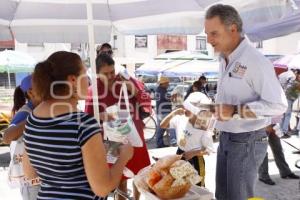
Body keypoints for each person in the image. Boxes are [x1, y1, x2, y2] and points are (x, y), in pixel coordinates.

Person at [23, 51, 134, 200]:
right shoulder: (84, 124)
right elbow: (103, 188)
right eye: (85, 73)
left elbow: (30, 173)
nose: (88, 81)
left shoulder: (32, 119)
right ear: (73, 80)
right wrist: (124, 157)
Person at [204, 4, 287, 200]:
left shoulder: (255, 61)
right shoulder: (224, 57)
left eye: (213, 33)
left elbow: (278, 105)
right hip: (227, 137)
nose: (208, 40)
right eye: (207, 34)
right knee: (223, 196)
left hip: (247, 140)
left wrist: (234, 110)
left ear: (232, 29)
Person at [85, 53, 150, 200]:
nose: (110, 76)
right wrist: (101, 117)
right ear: (97, 73)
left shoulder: (124, 80)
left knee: (140, 173)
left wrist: (132, 88)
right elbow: (88, 120)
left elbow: (146, 100)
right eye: (105, 73)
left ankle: (137, 198)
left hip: (133, 134)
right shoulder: (93, 91)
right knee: (119, 176)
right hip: (110, 140)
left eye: (112, 72)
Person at [160, 92, 214, 187]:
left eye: (188, 108)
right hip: (180, 155)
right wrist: (174, 113)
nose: (185, 109)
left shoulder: (203, 125)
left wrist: (193, 153)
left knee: (196, 188)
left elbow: (208, 150)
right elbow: (163, 125)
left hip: (195, 159)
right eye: (186, 107)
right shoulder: (180, 118)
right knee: (179, 186)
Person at [3, 75, 41, 200]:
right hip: (32, 184)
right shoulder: (26, 113)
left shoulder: (39, 109)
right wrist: (34, 119)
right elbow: (7, 137)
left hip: (38, 179)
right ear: (30, 92)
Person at [155, 76, 177, 147]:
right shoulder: (162, 90)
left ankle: (160, 143)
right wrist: (173, 96)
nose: (168, 85)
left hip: (161, 111)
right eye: (167, 83)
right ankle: (173, 141)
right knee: (170, 126)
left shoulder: (159, 89)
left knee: (161, 128)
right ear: (163, 83)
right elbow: (167, 98)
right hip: (164, 111)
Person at [280, 70, 300, 138]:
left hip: (286, 99)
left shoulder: (291, 80)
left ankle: (281, 131)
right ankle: (283, 131)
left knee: (284, 115)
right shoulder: (295, 82)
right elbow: (294, 93)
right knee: (287, 115)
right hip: (289, 99)